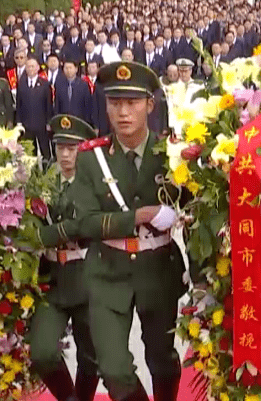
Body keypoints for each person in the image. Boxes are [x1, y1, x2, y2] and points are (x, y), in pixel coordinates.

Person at [71, 62, 188, 401]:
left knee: (162, 360)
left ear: (150, 105)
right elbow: (86, 223)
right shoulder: (92, 160)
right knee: (113, 367)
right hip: (108, 270)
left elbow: (197, 210)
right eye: (114, 103)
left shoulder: (172, 154)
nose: (122, 112)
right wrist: (141, 214)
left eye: (132, 103)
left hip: (157, 269)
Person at [31, 115, 100, 401]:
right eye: (60, 148)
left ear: (82, 149)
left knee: (91, 358)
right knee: (42, 351)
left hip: (87, 276)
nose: (66, 154)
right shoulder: (42, 183)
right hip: (52, 280)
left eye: (72, 148)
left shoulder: (96, 185)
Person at [16, 58, 54, 163]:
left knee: (45, 153)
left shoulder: (45, 84)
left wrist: (49, 122)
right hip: (27, 125)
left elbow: (49, 105)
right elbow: (19, 104)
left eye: (33, 66)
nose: (31, 69)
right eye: (28, 66)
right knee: (29, 155)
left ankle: (47, 175)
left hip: (42, 125)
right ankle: (33, 176)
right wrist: (18, 122)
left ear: (37, 68)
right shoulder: (21, 84)